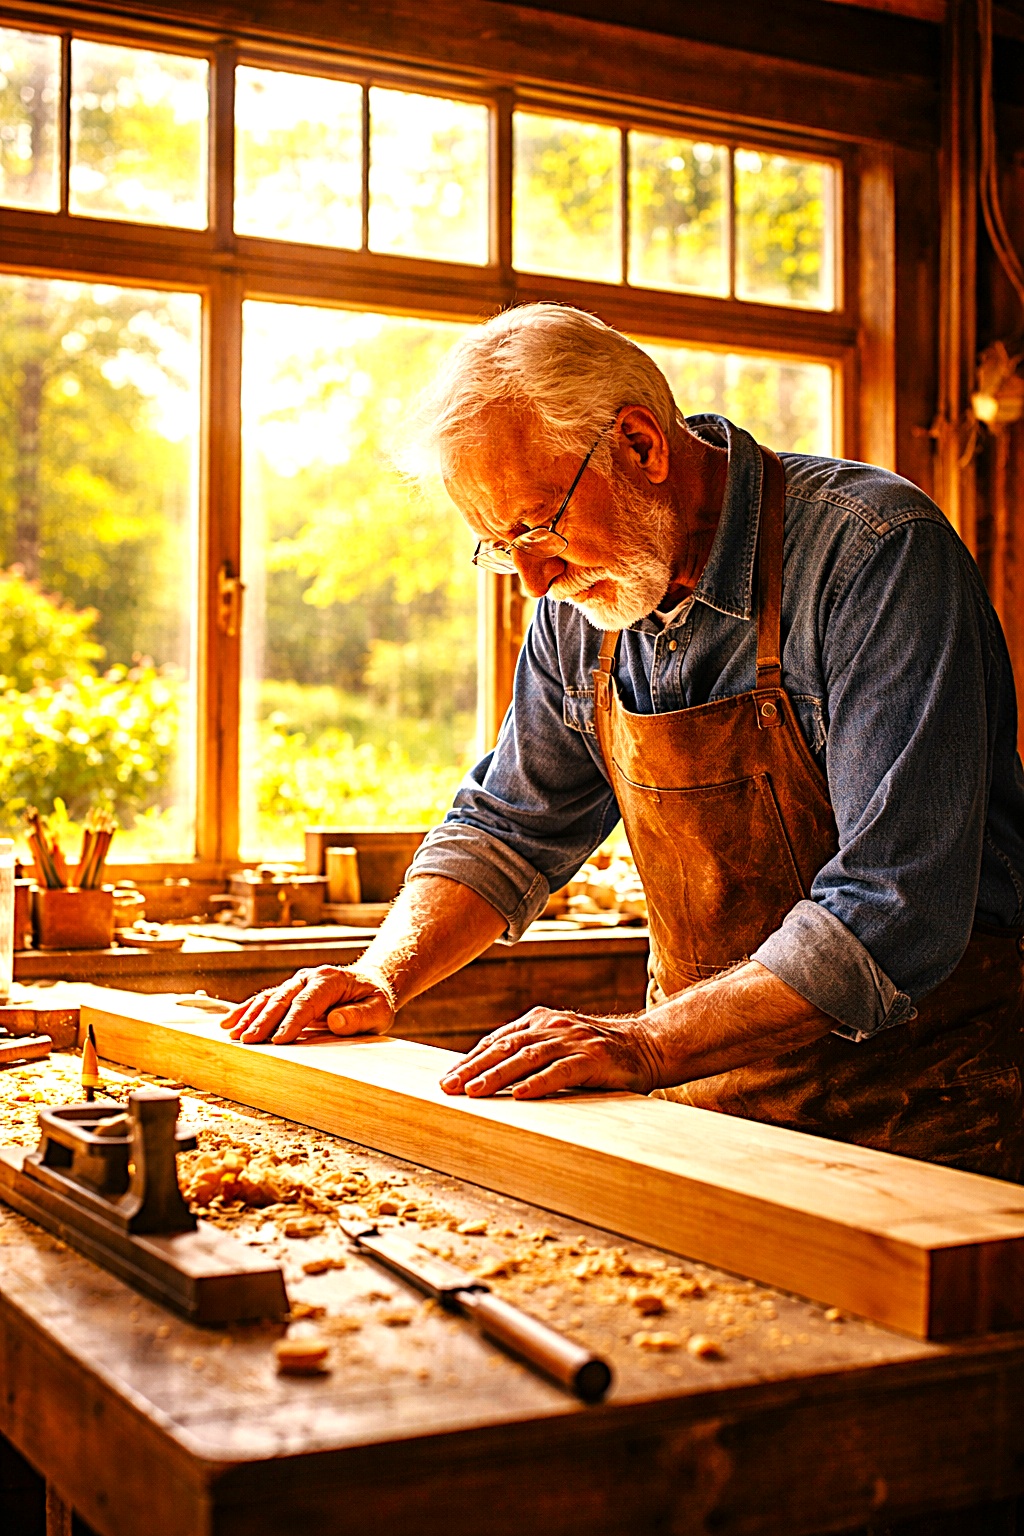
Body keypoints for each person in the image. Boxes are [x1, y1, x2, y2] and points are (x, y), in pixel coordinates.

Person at [223, 303, 1024, 1178]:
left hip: (932, 1117)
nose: (532, 579)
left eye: (536, 525)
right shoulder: (585, 603)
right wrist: (381, 977)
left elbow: (894, 905)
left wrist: (643, 1046)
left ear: (641, 445)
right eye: (499, 548)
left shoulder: (875, 556)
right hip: (709, 1104)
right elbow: (508, 827)